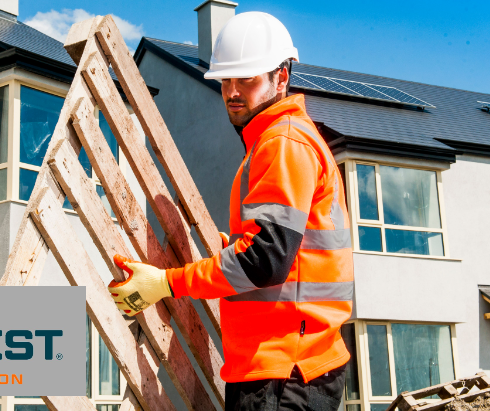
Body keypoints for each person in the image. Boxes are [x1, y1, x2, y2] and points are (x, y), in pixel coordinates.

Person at [109, 11, 353, 411]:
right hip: (291, 363)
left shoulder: (282, 144)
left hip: (282, 371)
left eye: (248, 80)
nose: (234, 91)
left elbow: (264, 262)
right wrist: (231, 249)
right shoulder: (276, 142)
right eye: (227, 81)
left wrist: (168, 282)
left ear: (281, 77)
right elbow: (285, 255)